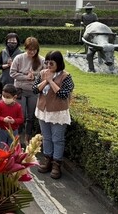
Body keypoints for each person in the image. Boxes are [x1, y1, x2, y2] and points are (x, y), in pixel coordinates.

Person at [33, 51, 74, 179]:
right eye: (47, 62)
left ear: (58, 63)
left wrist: (51, 81)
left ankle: (57, 164)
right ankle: (47, 159)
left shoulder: (66, 76)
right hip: (43, 111)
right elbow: (35, 89)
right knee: (47, 137)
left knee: (57, 139)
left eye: (52, 63)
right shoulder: (42, 74)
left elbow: (63, 94)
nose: (48, 65)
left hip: (58, 113)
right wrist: (45, 81)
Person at [9, 37, 44, 145]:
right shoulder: (19, 58)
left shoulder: (41, 60)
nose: (32, 52)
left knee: (31, 116)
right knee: (21, 115)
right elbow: (12, 73)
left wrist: (35, 77)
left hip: (33, 91)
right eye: (29, 50)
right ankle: (18, 136)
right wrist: (25, 76)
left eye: (34, 50)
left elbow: (44, 74)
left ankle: (27, 137)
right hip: (20, 90)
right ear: (26, 48)